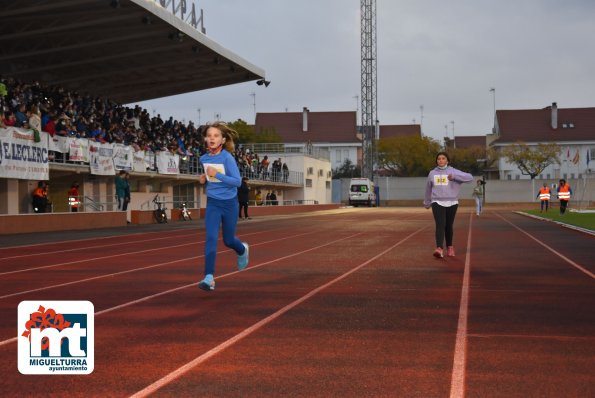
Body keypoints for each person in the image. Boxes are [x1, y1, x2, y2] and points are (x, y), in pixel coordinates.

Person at [198, 122, 249, 291]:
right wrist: (204, 178)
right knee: (211, 238)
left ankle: (242, 250)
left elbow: (237, 182)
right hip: (213, 202)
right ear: (205, 139)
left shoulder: (227, 157)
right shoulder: (203, 158)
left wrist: (217, 174)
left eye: (216, 135)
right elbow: (210, 177)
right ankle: (209, 277)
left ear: (223, 139)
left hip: (229, 204)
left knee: (228, 240)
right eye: (209, 135)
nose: (212, 138)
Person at [423, 152, 473, 258]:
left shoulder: (453, 171)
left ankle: (450, 247)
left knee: (448, 226)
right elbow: (428, 188)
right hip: (437, 202)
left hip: (452, 202)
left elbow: (470, 178)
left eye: (443, 158)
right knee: (440, 224)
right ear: (436, 161)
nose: (440, 160)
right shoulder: (432, 173)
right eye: (438, 159)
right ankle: (439, 248)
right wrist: (427, 202)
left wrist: (455, 177)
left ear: (447, 160)